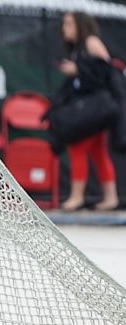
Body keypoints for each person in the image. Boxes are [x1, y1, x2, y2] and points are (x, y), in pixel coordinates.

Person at [55, 11, 120, 211]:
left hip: (96, 109)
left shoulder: (91, 42)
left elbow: (107, 70)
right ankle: (111, 197)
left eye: (69, 24)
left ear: (80, 25)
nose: (64, 28)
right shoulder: (77, 49)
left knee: (77, 148)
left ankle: (76, 197)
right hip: (87, 108)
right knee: (98, 153)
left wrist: (78, 69)